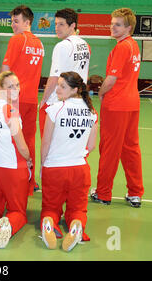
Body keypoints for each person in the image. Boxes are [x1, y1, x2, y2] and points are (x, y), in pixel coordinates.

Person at [91, 8, 143, 208]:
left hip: (117, 105)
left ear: (128, 28)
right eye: (112, 23)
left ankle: (103, 193)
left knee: (110, 149)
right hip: (132, 103)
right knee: (131, 149)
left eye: (118, 24)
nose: (113, 27)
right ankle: (135, 193)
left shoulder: (121, 47)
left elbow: (111, 79)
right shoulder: (133, 46)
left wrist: (102, 93)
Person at [40, 71, 97, 252]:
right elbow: (92, 145)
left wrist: (42, 166)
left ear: (74, 89)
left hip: (54, 168)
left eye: (62, 86)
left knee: (50, 207)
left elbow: (46, 142)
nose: (57, 89)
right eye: (57, 84)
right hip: (79, 169)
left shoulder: (55, 109)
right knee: (78, 209)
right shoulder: (92, 112)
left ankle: (49, 221)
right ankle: (76, 225)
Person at [0, 71, 32, 249]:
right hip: (12, 169)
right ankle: (8, 225)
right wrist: (29, 160)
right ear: (0, 88)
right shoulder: (10, 111)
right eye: (10, 86)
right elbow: (22, 146)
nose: (16, 89)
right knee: (17, 211)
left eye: (17, 85)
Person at [1, 5, 44, 194]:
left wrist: (0, 96)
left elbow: (5, 71)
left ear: (27, 22)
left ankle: (15, 179)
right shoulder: (39, 44)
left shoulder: (17, 40)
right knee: (29, 140)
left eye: (16, 22)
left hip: (15, 100)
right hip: (32, 99)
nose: (13, 25)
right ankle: (30, 181)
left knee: (12, 139)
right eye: (12, 21)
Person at [39, 8, 91, 136]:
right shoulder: (85, 45)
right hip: (77, 103)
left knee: (50, 146)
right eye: (56, 24)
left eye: (61, 24)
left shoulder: (62, 46)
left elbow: (53, 79)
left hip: (57, 103)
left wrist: (43, 101)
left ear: (72, 25)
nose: (57, 28)